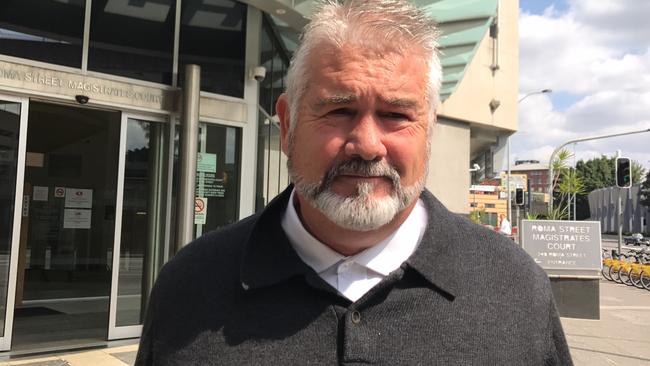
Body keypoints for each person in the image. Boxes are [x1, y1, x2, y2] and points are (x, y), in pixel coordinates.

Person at [135, 0, 572, 364]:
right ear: (287, 125)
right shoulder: (190, 285)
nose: (366, 145)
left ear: (429, 131)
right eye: (339, 111)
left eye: (396, 115)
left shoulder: (515, 288)